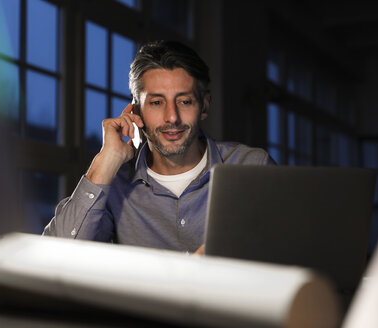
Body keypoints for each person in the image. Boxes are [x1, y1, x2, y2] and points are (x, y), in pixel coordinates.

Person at [43, 40, 275, 253]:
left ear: (204, 106)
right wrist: (105, 161)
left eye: (184, 101)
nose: (172, 117)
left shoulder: (253, 167)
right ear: (135, 111)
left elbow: (294, 259)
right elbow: (54, 259)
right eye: (156, 102)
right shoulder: (115, 185)